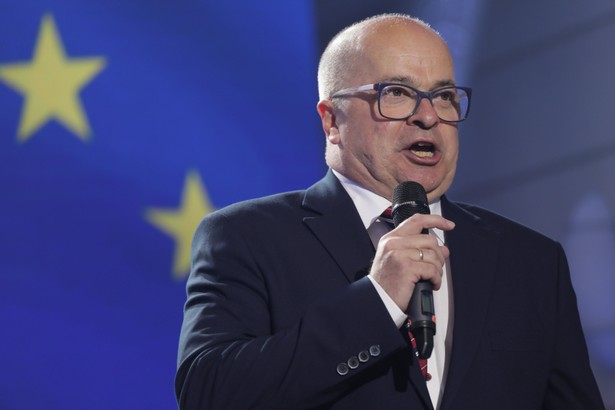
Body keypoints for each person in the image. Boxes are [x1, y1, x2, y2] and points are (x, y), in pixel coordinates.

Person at [175, 13, 605, 409]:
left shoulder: (532, 260)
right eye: (397, 93)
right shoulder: (247, 236)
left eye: (444, 96)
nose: (428, 116)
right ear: (332, 121)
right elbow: (209, 393)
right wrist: (377, 301)